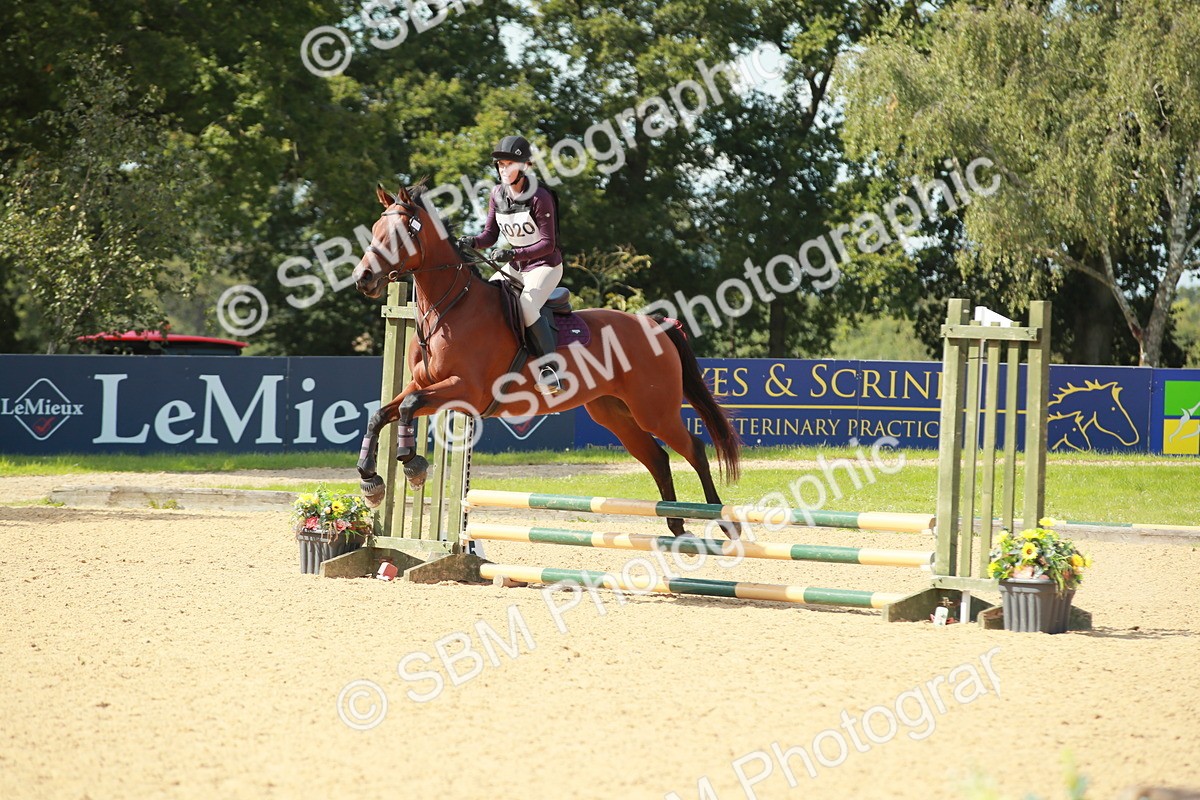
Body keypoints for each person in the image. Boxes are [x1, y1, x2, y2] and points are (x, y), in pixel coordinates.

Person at [458, 135, 563, 395]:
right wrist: (472, 241)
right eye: (501, 165)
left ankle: (550, 371)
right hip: (516, 265)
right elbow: (490, 235)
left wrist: (513, 253)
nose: (504, 170)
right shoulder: (497, 194)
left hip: (544, 266)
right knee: (485, 300)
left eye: (510, 164)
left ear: (525, 166)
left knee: (526, 306)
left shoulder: (540, 197)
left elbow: (548, 244)